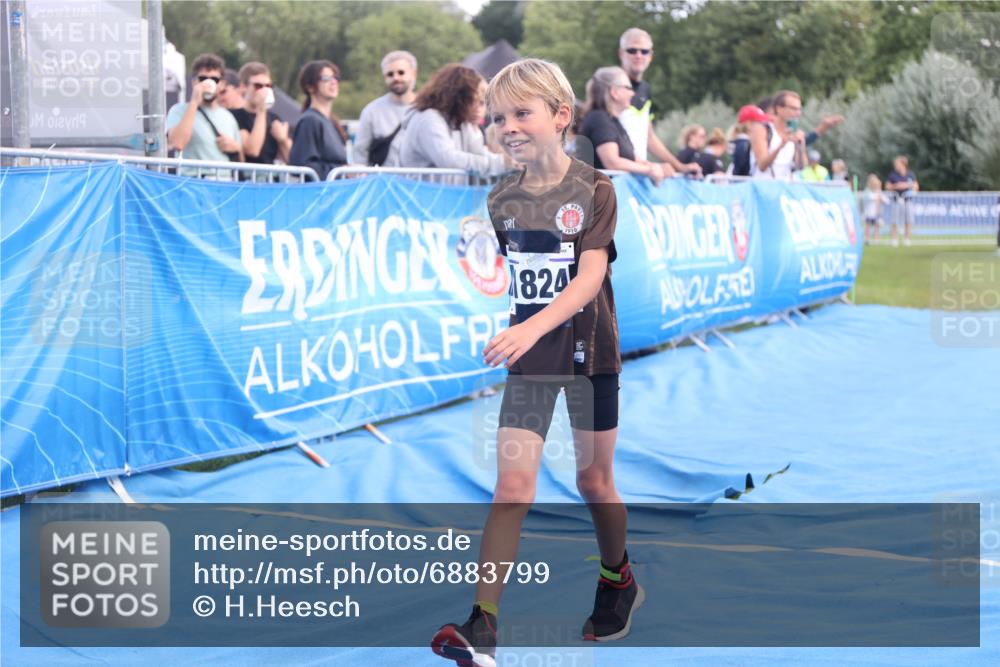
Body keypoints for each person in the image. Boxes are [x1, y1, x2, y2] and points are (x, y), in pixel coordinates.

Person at [430, 58, 639, 667]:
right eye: (498, 117)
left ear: (561, 117)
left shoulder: (597, 189)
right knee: (512, 487)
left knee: (593, 481)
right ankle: (483, 623)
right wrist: (525, 335)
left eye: (522, 113)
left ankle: (617, 576)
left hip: (589, 352)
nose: (508, 127)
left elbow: (587, 280)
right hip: (532, 360)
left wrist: (527, 328)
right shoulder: (501, 199)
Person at [388, 64, 507, 179]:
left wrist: (510, 162)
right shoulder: (428, 119)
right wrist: (501, 164)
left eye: (482, 102)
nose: (481, 109)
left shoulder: (462, 122)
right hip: (419, 196)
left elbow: (479, 154)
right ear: (459, 97)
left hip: (443, 196)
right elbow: (448, 159)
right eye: (475, 101)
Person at [616, 27, 699, 177]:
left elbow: (649, 137)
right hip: (612, 176)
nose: (639, 55)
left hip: (637, 177)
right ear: (621, 53)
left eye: (644, 51)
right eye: (632, 50)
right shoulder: (609, 85)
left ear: (651, 56)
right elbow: (601, 134)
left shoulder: (646, 89)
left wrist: (679, 166)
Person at [577, 66, 666, 184]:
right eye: (628, 88)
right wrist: (650, 170)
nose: (633, 93)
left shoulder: (613, 121)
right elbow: (612, 162)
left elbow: (635, 160)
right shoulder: (599, 119)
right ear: (614, 92)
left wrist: (658, 168)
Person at [165, 53, 243, 177]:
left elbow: (241, 162)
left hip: (223, 185)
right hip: (193, 184)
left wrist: (236, 148)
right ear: (194, 81)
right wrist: (195, 101)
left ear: (222, 84)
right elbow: (178, 143)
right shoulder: (179, 110)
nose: (208, 83)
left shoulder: (229, 117)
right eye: (203, 79)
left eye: (214, 79)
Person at [353, 50, 417, 166]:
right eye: (390, 74)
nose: (396, 78)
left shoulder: (426, 109)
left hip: (417, 181)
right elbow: (360, 152)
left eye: (401, 72)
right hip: (383, 181)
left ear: (413, 74)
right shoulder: (371, 111)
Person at [289, 60, 349, 180]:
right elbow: (305, 168)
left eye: (335, 78)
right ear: (310, 87)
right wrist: (343, 172)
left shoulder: (332, 122)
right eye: (326, 78)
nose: (333, 82)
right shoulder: (309, 121)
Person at [230, 62, 292, 168]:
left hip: (270, 180)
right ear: (243, 87)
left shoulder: (274, 119)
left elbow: (293, 160)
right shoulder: (234, 116)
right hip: (246, 180)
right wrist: (262, 110)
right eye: (258, 86)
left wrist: (283, 140)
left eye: (268, 86)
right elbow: (253, 150)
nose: (264, 90)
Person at [750, 89, 805, 180]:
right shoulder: (762, 129)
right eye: (794, 109)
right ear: (779, 108)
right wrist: (781, 145)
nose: (798, 113)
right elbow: (762, 166)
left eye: (799, 109)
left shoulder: (794, 132)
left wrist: (800, 147)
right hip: (763, 187)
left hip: (785, 188)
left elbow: (801, 167)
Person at [885, 155, 919, 246]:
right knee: (894, 220)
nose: (895, 166)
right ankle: (894, 239)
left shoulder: (910, 174)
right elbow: (887, 186)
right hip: (896, 200)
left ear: (903, 164)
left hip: (908, 200)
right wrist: (896, 186)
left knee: (909, 220)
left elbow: (916, 186)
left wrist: (906, 185)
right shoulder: (893, 174)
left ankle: (907, 239)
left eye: (897, 164)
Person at [861, 174, 885, 245]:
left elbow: (885, 199)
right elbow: (870, 198)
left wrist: (879, 196)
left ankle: (876, 239)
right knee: (867, 226)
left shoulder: (879, 191)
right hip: (869, 212)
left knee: (876, 226)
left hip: (876, 212)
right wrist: (878, 196)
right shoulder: (867, 191)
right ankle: (867, 238)